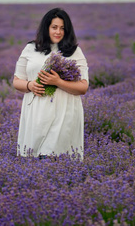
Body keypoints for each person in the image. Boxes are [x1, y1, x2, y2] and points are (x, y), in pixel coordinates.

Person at [13, 8, 89, 159]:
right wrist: (30, 85)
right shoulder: (30, 49)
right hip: (36, 112)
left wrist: (58, 82)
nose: (58, 32)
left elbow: (83, 87)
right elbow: (16, 81)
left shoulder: (74, 52)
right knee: (32, 158)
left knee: (55, 159)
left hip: (64, 112)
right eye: (54, 27)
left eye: (62, 28)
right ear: (46, 27)